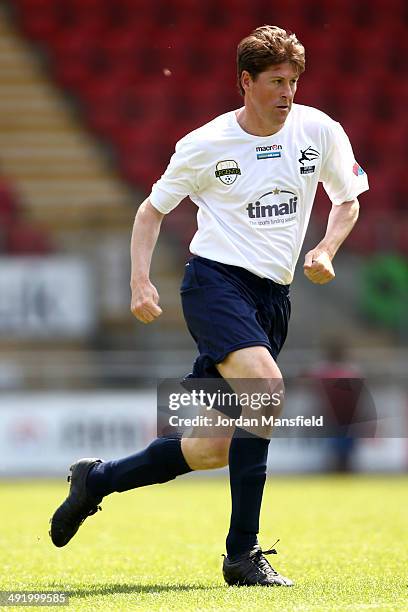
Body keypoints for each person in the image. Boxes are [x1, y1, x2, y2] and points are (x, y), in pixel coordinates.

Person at [50, 25, 369, 587]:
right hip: (215, 285)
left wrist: (325, 246)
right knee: (266, 390)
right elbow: (152, 211)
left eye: (293, 81)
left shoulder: (320, 130)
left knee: (209, 449)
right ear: (245, 81)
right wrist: (140, 282)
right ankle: (242, 556)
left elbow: (347, 200)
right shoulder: (205, 145)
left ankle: (96, 480)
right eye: (275, 82)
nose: (287, 93)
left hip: (273, 298)